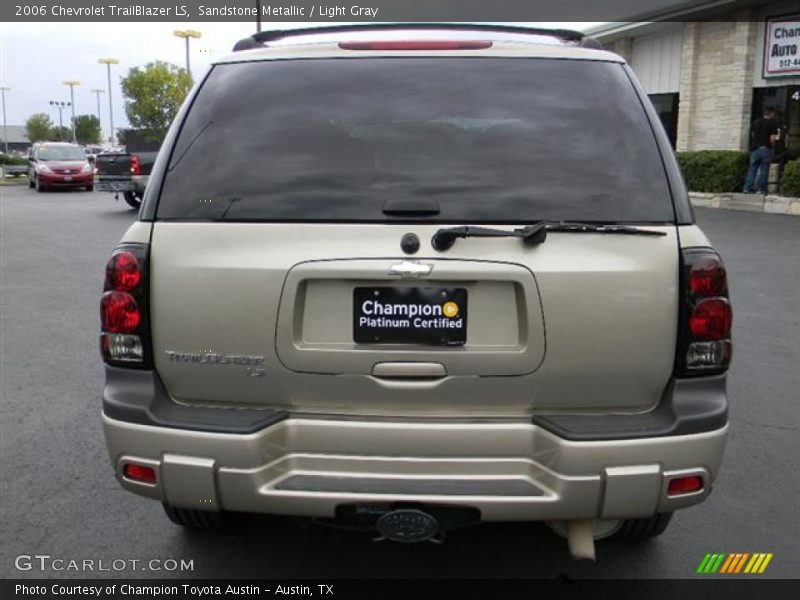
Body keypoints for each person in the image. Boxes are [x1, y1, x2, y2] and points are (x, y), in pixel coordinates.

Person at [743, 108, 779, 194]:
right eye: (773, 113)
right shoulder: (772, 123)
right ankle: (760, 189)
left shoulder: (756, 122)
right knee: (764, 169)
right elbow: (772, 139)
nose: (773, 115)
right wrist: (773, 147)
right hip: (766, 148)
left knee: (752, 169)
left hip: (755, 148)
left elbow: (752, 134)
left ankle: (747, 188)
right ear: (771, 113)